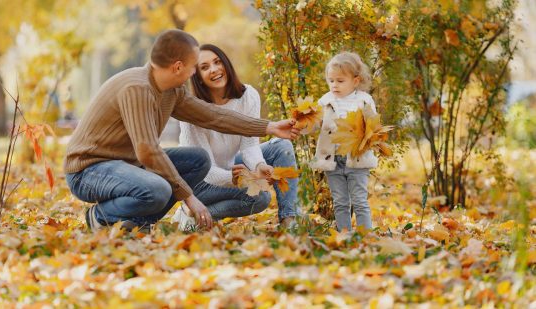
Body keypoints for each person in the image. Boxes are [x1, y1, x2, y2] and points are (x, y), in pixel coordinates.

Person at [64, 30, 299, 233]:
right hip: (89, 171)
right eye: (194, 66)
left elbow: (214, 116)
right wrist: (189, 197)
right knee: (158, 189)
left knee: (197, 160)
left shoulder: (172, 91)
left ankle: (138, 222)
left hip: (127, 166)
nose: (195, 73)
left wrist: (269, 127)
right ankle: (99, 217)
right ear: (178, 67)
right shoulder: (137, 88)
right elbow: (147, 151)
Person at [178, 44, 299, 228]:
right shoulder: (192, 111)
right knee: (260, 197)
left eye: (217, 62)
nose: (214, 69)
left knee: (281, 146)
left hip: (230, 167)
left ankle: (289, 220)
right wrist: (235, 179)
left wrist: (259, 165)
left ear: (226, 64)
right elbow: (206, 170)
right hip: (198, 184)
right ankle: (196, 217)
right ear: (198, 77)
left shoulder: (248, 96)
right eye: (205, 67)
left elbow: (249, 144)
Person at [310, 51, 378, 232]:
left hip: (356, 159)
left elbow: (373, 128)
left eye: (340, 81)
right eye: (331, 80)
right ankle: (344, 236)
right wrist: (304, 123)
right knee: (340, 201)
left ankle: (365, 236)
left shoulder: (364, 101)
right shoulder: (326, 101)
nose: (334, 85)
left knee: (359, 200)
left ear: (355, 81)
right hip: (333, 160)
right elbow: (314, 124)